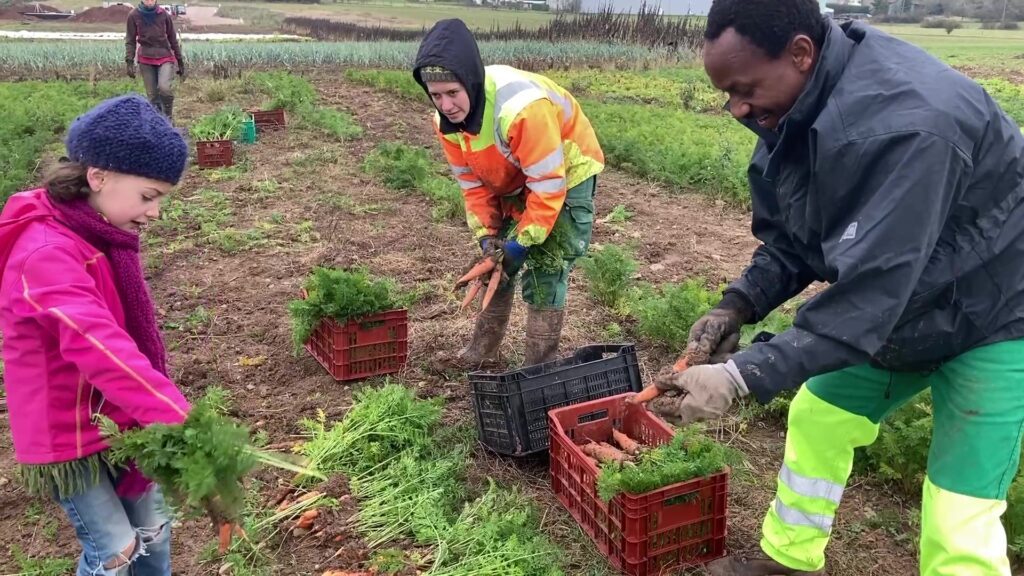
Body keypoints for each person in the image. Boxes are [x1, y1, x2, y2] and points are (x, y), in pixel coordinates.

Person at [646, 0, 1024, 574]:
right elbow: (799, 240)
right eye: (726, 92)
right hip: (903, 306)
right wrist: (738, 303)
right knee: (820, 415)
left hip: (996, 309)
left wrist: (742, 374)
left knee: (959, 511)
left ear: (800, 53)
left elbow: (871, 293)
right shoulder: (791, 111)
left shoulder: (911, 125)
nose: (736, 107)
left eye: (744, 88)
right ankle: (788, 561)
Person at [0, 94, 192, 575]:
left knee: (155, 527)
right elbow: (98, 343)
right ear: (98, 177)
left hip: (121, 415)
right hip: (66, 430)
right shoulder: (44, 252)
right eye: (149, 196)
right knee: (115, 549)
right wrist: (173, 414)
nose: (155, 213)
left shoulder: (101, 234)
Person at [412, 18, 605, 368]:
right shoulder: (446, 123)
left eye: (453, 93)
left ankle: (538, 368)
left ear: (469, 81)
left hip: (564, 173)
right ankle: (482, 354)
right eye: (436, 96)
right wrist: (489, 239)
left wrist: (521, 244)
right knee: (494, 264)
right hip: (514, 173)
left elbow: (548, 185)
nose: (446, 105)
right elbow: (473, 185)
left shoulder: (521, 108)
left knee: (547, 267)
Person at [125, 0, 185, 120]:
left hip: (165, 56)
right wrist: (129, 61)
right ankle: (158, 123)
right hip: (146, 59)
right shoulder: (133, 15)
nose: (149, 1)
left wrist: (180, 61)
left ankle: (168, 118)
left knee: (165, 89)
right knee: (152, 96)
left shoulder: (164, 15)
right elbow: (130, 40)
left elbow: (173, 39)